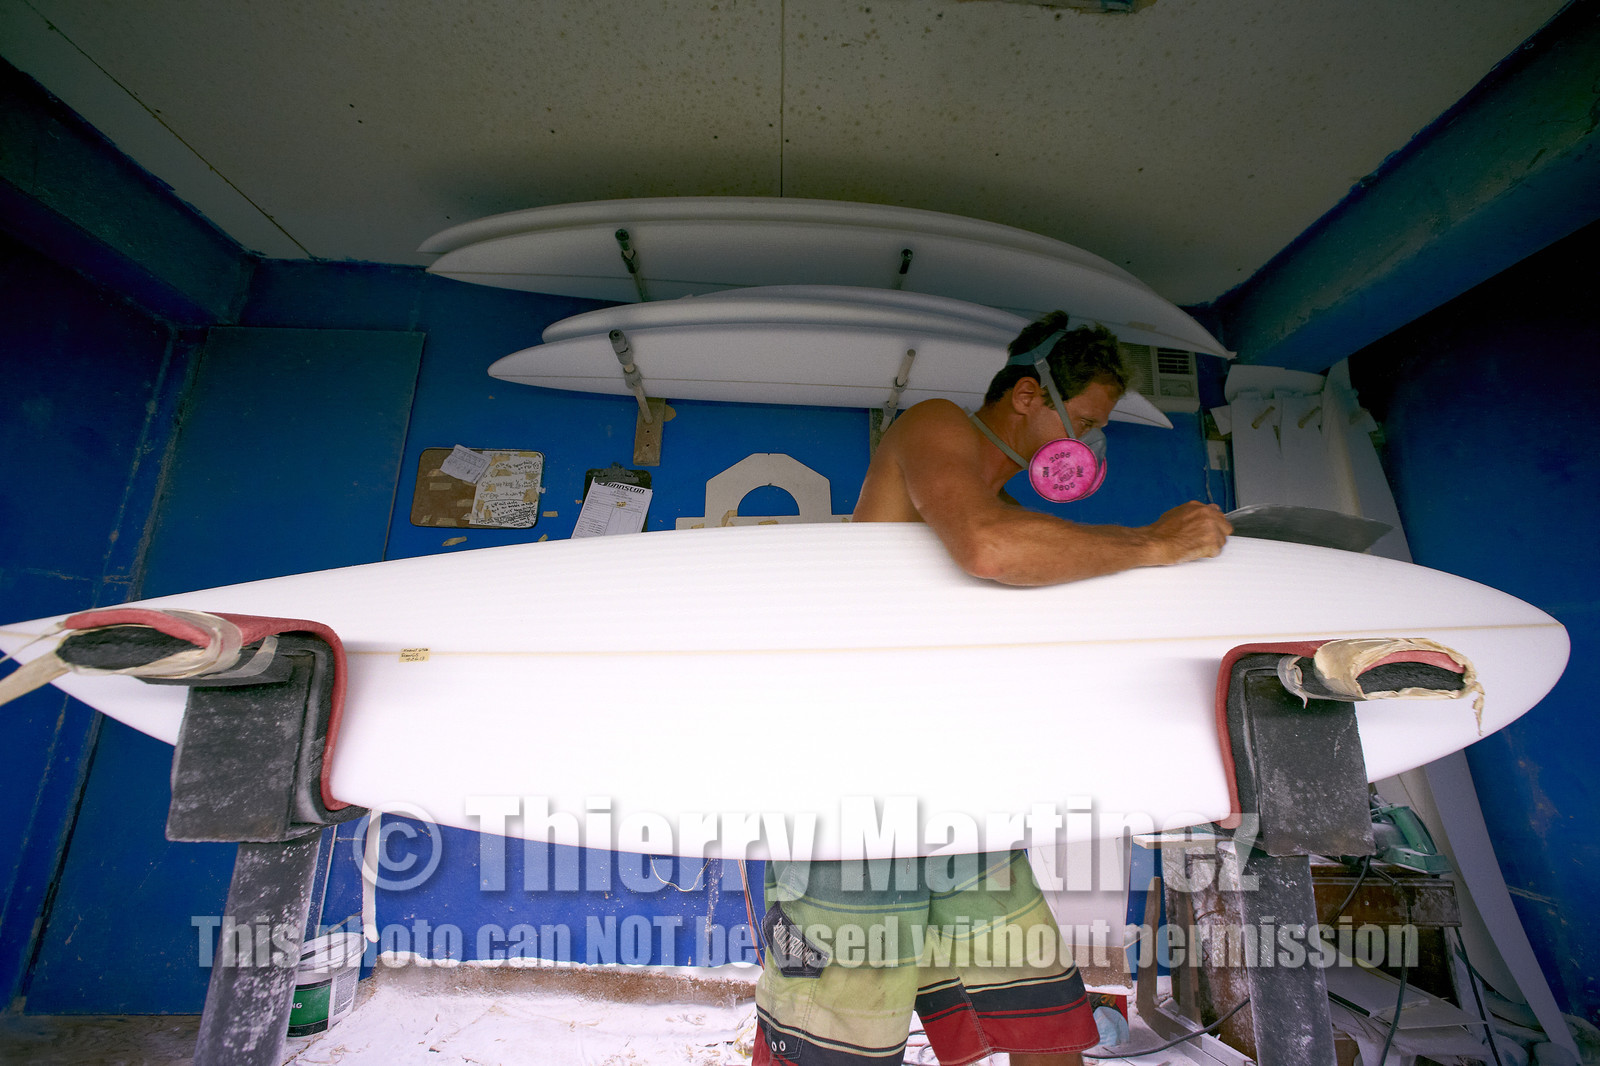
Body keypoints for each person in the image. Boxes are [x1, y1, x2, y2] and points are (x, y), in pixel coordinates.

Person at [752, 312, 1233, 1066]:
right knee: (835, 1030)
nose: (1088, 445)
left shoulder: (1018, 520)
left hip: (954, 789)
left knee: (1039, 1008)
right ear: (1024, 395)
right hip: (855, 788)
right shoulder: (934, 428)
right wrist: (1152, 544)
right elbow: (984, 549)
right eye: (1082, 421)